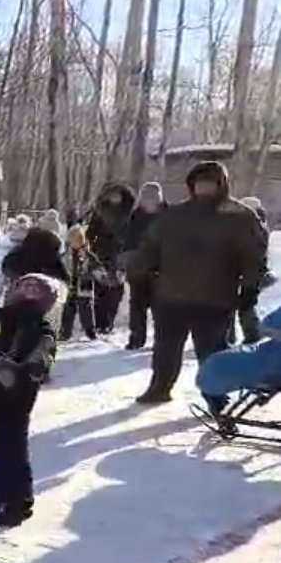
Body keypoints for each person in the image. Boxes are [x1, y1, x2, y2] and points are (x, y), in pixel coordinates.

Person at [130, 161, 268, 406]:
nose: (203, 188)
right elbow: (150, 248)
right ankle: (160, 387)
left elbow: (253, 257)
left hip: (215, 297)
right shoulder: (173, 216)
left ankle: (216, 397)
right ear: (192, 186)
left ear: (221, 185)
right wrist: (139, 276)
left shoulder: (240, 217)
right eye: (199, 183)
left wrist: (249, 288)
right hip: (171, 296)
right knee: (166, 348)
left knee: (212, 352)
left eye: (209, 184)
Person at [0, 273, 59, 528]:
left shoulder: (44, 331)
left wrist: (23, 373)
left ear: (47, 299)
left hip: (18, 396)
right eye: (25, 285)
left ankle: (20, 502)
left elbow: (44, 359)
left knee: (13, 447)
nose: (29, 290)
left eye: (37, 288)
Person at [85, 183, 137, 333]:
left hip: (121, 253)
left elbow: (133, 232)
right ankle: (100, 322)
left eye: (117, 195)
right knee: (100, 288)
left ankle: (109, 321)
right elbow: (90, 233)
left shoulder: (129, 213)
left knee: (116, 290)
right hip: (101, 252)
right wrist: (91, 248)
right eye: (111, 195)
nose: (114, 198)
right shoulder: (100, 212)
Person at [121, 182, 167, 350]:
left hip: (163, 269)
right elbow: (127, 241)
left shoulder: (169, 216)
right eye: (146, 198)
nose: (150, 202)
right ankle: (136, 338)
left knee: (161, 308)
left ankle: (162, 340)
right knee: (137, 307)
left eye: (153, 198)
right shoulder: (135, 217)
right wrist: (127, 261)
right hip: (138, 269)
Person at [231, 196, 271, 345]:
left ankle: (252, 335)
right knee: (241, 305)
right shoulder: (255, 226)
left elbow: (254, 253)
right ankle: (247, 335)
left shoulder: (255, 227)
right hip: (245, 271)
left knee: (245, 305)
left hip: (251, 272)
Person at [59, 226, 99, 341]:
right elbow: (61, 267)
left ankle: (90, 333)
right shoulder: (66, 255)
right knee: (68, 312)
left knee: (86, 311)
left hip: (84, 286)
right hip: (69, 286)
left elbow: (96, 269)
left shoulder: (88, 255)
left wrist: (91, 275)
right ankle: (65, 333)